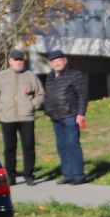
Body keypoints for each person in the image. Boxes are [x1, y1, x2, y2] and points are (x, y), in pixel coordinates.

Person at [0, 50, 44, 185]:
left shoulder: (30, 76)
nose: (19, 62)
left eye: (21, 60)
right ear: (10, 61)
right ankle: (10, 176)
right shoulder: (1, 76)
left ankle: (28, 175)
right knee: (9, 148)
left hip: (26, 117)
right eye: (16, 60)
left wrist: (32, 105)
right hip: (7, 117)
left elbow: (40, 94)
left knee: (28, 147)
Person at [42, 49, 90, 185]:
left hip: (70, 115)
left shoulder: (74, 74)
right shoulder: (50, 76)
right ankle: (68, 175)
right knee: (61, 146)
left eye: (59, 60)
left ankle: (79, 175)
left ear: (65, 60)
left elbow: (82, 94)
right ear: (51, 64)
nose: (57, 63)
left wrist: (81, 114)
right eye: (54, 61)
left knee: (72, 144)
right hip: (56, 116)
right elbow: (49, 95)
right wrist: (48, 110)